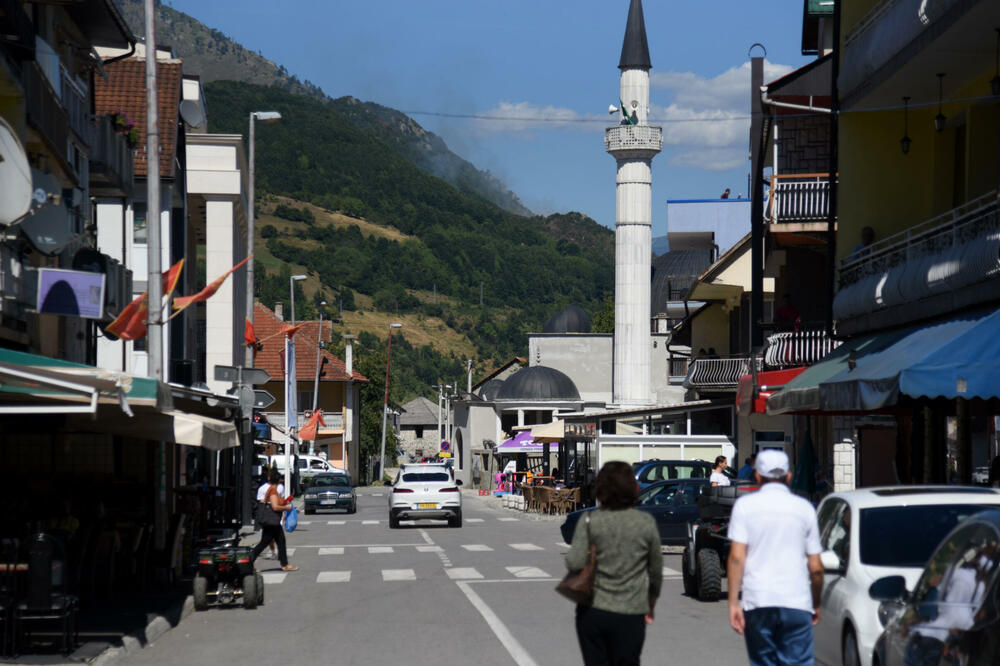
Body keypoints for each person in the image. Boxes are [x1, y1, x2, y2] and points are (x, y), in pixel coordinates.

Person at [727, 450, 823, 666]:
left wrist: (733, 602)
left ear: (757, 476)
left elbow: (736, 558)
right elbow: (816, 567)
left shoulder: (744, 507)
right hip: (797, 602)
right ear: (789, 475)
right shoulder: (805, 509)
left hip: (758, 601)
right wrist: (816, 602)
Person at [566, 461, 662, 666]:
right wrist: (651, 602)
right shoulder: (645, 522)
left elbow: (573, 562)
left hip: (593, 610)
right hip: (631, 611)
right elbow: (655, 570)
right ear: (631, 488)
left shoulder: (589, 519)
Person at [252, 469, 298, 572]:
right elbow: (275, 507)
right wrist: (287, 508)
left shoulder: (267, 489)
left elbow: (263, 502)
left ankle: (284, 564)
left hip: (270, 519)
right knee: (264, 543)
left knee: (280, 540)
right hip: (271, 520)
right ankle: (248, 562)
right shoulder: (273, 491)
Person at [256, 469, 285, 560]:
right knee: (268, 539)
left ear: (268, 478)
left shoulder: (279, 487)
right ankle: (252, 556)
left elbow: (261, 504)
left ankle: (282, 559)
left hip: (273, 516)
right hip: (271, 516)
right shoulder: (265, 488)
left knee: (277, 539)